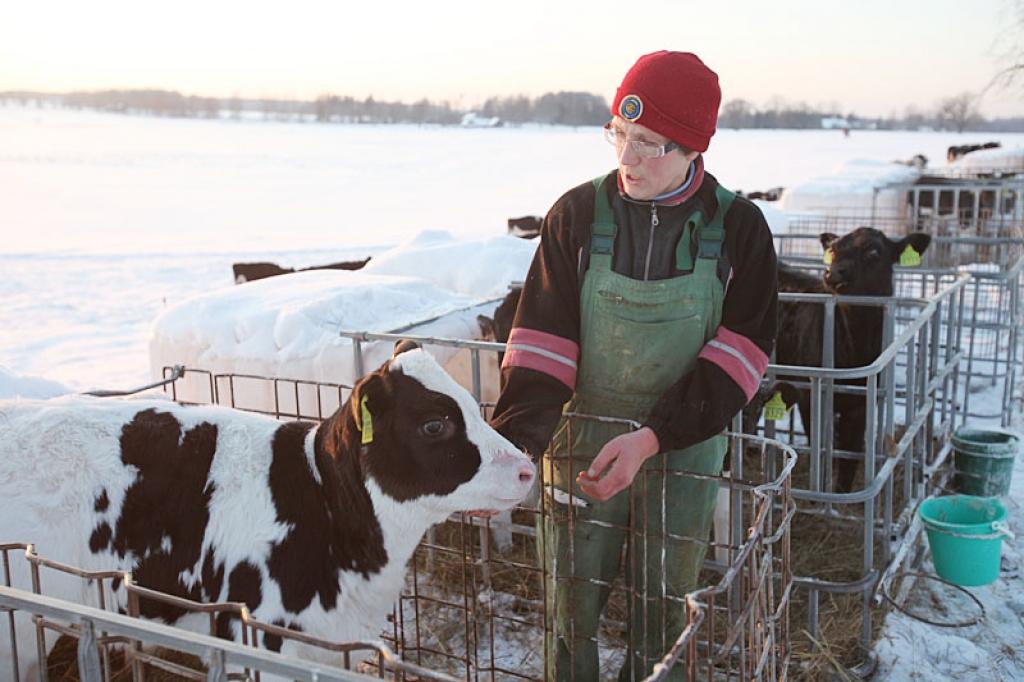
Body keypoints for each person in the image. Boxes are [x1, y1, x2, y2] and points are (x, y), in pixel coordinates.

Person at [490, 51, 778, 681]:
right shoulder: (576, 215)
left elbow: (741, 356)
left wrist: (652, 437)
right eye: (619, 135)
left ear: (693, 146)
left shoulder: (738, 229)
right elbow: (541, 348)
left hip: (681, 446)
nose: (627, 159)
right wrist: (509, 454)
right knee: (569, 602)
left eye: (648, 143)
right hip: (581, 444)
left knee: (664, 605)